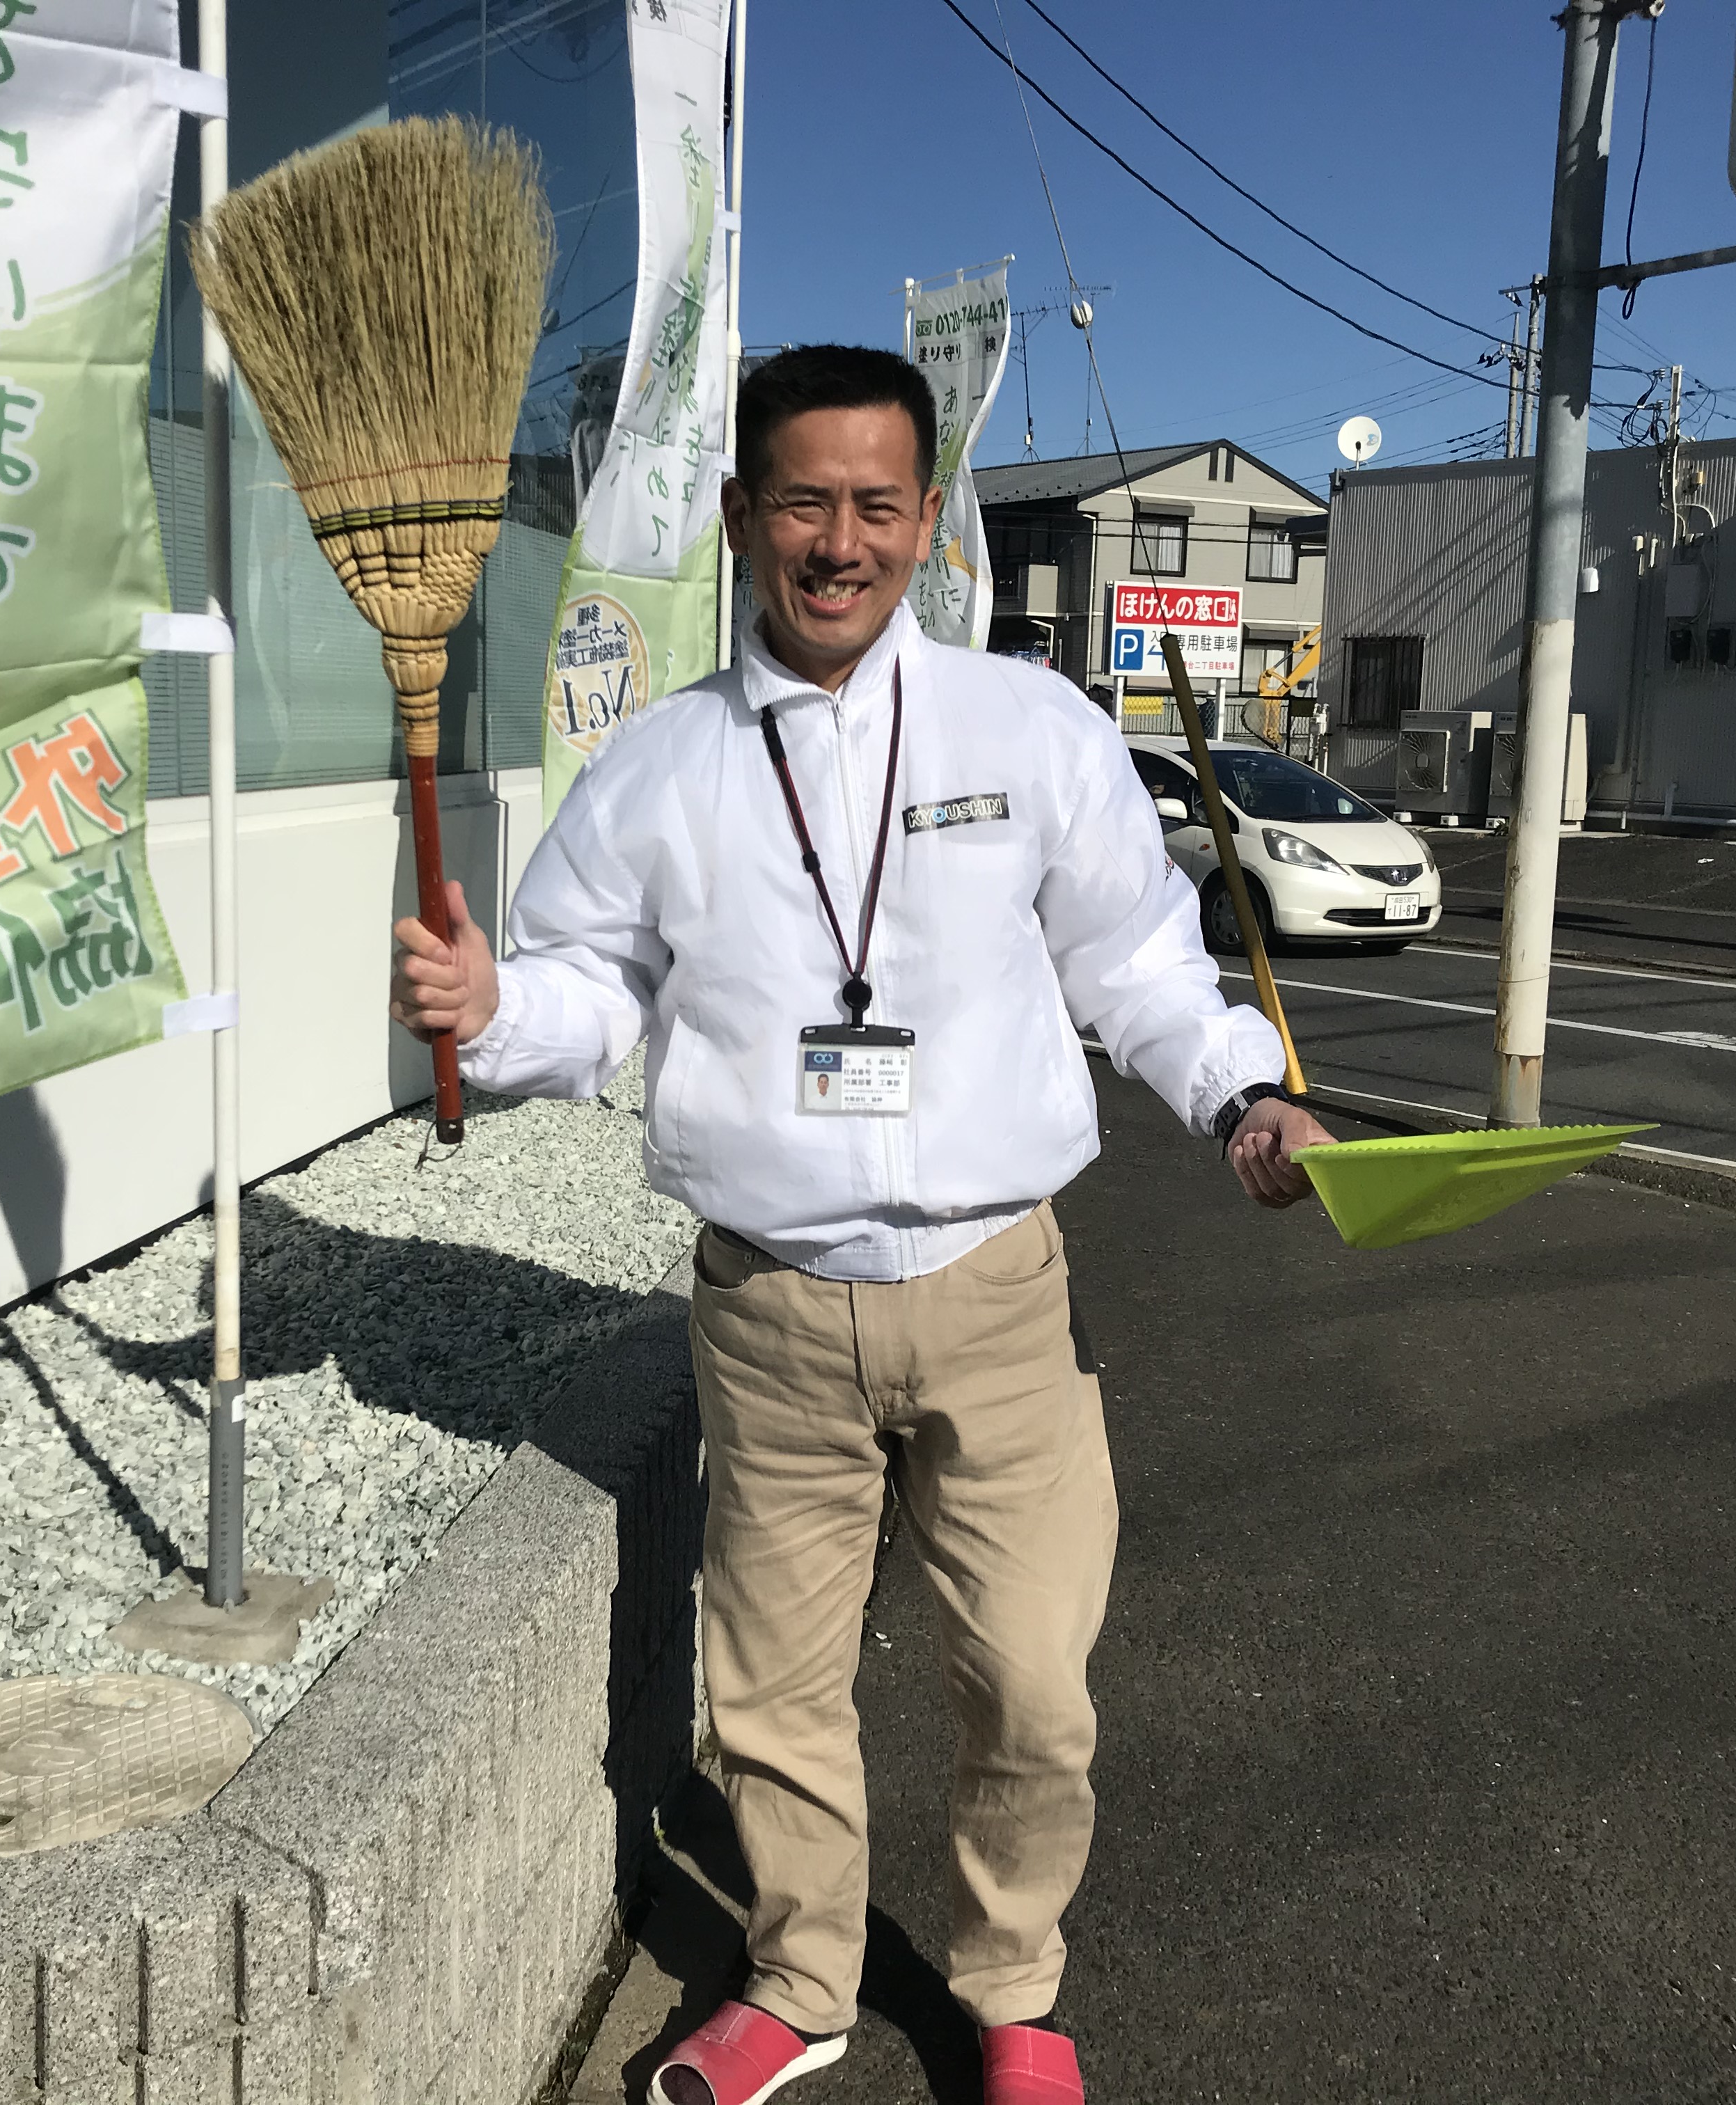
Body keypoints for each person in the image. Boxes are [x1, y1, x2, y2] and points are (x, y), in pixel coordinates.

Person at [390, 344, 1332, 2105]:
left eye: (877, 505)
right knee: (771, 1693)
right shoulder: (659, 767)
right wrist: (491, 1007)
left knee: (1032, 1685)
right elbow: (589, 995)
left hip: (997, 1290)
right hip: (769, 1309)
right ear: (741, 514)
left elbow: (1138, 965)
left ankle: (1013, 1994)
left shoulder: (1025, 731)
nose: (841, 541)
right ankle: (802, 1979)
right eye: (805, 503)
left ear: (926, 519)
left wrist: (1240, 1095)